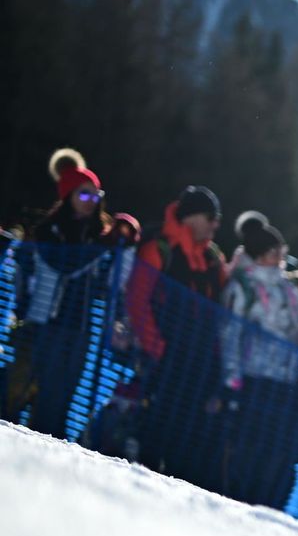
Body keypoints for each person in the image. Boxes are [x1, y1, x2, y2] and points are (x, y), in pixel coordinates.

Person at [125, 184, 230, 490]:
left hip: (202, 362)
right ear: (192, 217)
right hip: (168, 357)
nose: (215, 225)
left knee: (193, 433)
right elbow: (137, 300)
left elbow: (225, 305)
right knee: (159, 425)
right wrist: (157, 348)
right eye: (211, 217)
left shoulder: (212, 257)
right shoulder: (159, 249)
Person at [9, 149, 114, 437]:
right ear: (68, 196)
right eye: (83, 195)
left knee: (69, 389)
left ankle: (57, 443)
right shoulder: (50, 230)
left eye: (95, 196)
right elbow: (63, 266)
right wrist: (101, 250)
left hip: (81, 324)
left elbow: (104, 284)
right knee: (47, 388)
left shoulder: (97, 234)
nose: (91, 202)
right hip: (49, 320)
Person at [218, 211, 298, 507]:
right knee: (249, 442)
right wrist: (231, 380)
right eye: (274, 252)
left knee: (274, 444)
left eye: (281, 252)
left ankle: (263, 500)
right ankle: (236, 495)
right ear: (261, 254)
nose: (280, 257)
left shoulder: (288, 289)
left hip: (284, 379)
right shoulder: (243, 286)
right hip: (253, 376)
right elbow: (231, 334)